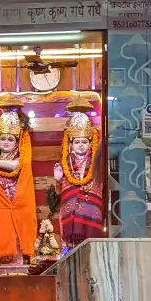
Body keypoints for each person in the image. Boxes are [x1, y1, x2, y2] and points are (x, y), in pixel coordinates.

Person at [0, 105, 37, 264]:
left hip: (15, 205)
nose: (6, 143)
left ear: (17, 142)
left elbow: (17, 167)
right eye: (2, 138)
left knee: (15, 246)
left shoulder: (20, 157)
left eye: (10, 139)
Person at [53, 102, 103, 247]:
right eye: (77, 142)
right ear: (71, 144)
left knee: (91, 245)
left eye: (84, 142)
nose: (80, 145)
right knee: (70, 245)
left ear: (90, 143)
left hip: (91, 207)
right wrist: (58, 180)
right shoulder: (65, 162)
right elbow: (59, 192)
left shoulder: (97, 162)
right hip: (71, 211)